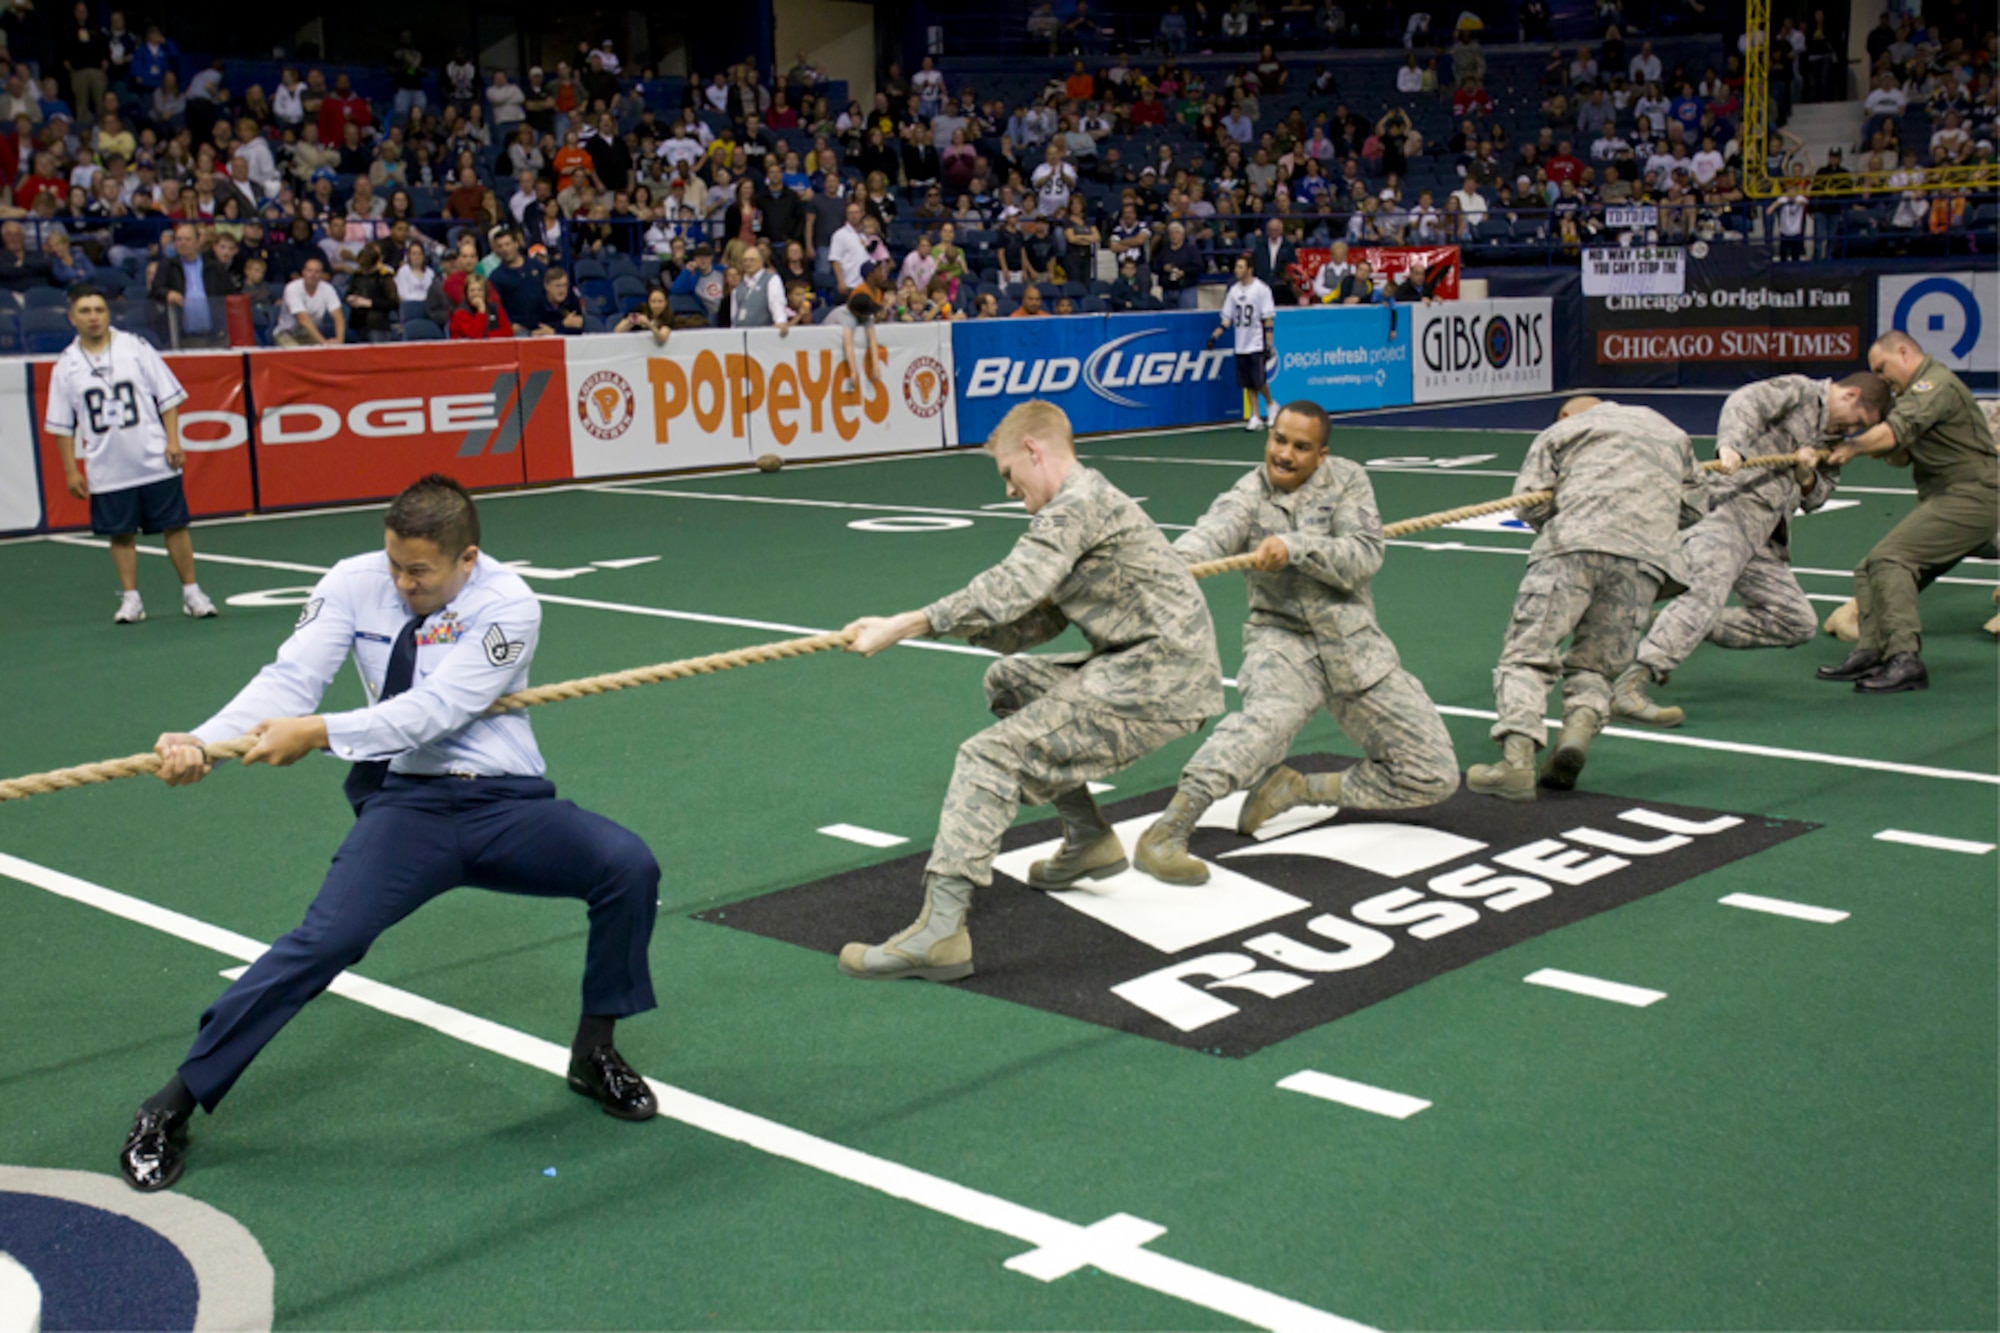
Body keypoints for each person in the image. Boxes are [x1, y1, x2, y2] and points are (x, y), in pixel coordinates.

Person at [119, 476, 661, 1192]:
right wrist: (204, 741)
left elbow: (434, 710)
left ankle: (595, 1051)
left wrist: (319, 732)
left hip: (507, 801)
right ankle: (169, 1104)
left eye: (420, 571)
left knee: (627, 866)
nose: (403, 584)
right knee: (325, 941)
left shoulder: (509, 604)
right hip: (409, 808)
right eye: (394, 565)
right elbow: (291, 680)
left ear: (466, 558)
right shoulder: (353, 582)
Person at [835, 401, 1224, 980]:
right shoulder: (1084, 503)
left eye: (1008, 475)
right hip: (1144, 664)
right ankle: (1089, 837)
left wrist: (904, 624)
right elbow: (1033, 624)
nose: (1011, 492)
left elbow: (1012, 586)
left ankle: (940, 934)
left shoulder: (1075, 505)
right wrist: (956, 626)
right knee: (1010, 681)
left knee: (988, 758)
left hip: (1160, 677)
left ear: (1034, 451)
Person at [1132, 403, 1459, 882]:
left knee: (1433, 774)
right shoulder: (1249, 492)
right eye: (1278, 440)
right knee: (1264, 726)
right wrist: (1170, 569)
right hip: (1281, 640)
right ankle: (1168, 829)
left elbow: (1364, 556)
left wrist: (1296, 547)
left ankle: (1298, 789)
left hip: (1354, 645)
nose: (1284, 454)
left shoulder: (1347, 480)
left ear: (1321, 455)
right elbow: (1210, 534)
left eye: (1300, 447)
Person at [1615, 374, 1891, 727]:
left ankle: (1679, 625)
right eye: (1859, 420)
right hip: (1728, 513)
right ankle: (1633, 681)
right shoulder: (1800, 392)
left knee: (1796, 622)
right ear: (1851, 395)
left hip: (1765, 539)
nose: (1853, 430)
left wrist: (1806, 476)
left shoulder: (1833, 440)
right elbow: (1745, 401)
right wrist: (1732, 446)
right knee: (1704, 594)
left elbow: (1819, 496)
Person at [1467, 398, 1705, 800]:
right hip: (1644, 561)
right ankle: (1575, 736)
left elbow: (1533, 502)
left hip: (1571, 549)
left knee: (1528, 654)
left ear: (1565, 414)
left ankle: (1516, 764)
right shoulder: (1671, 431)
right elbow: (1695, 508)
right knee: (1597, 664)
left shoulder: (1560, 433)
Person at [1815, 331, 2000, 693]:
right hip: (1946, 497)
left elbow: (1897, 434)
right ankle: (1872, 650)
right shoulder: (1909, 397)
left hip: (1972, 496)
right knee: (1869, 569)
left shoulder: (1934, 385)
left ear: (1903, 352)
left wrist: (1853, 447)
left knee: (1891, 560)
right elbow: (1899, 454)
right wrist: (1869, 438)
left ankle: (1905, 659)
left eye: (1882, 368)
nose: (1881, 378)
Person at [46, 284, 217, 625]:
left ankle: (192, 592)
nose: (93, 317)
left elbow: (167, 397)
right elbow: (62, 425)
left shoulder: (135, 347)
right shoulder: (65, 366)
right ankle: (131, 599)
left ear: (108, 314)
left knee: (175, 526)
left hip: (153, 458)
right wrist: (70, 470)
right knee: (120, 533)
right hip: (106, 465)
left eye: (99, 310)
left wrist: (173, 441)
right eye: (85, 311)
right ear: (72, 317)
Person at [1209, 254, 1276, 430]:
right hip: (1241, 343)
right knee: (1247, 382)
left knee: (1259, 380)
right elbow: (1227, 319)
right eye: (1236, 266)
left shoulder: (1261, 289)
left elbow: (1267, 318)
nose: (1236, 270)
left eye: (1240, 267)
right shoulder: (1234, 291)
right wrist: (1215, 335)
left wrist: (1269, 343)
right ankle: (1255, 415)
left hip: (1256, 341)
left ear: (1249, 269)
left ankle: (1270, 404)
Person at [146, 221, 232, 348]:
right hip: (181, 338)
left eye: (187, 239)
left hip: (215, 337)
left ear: (198, 242)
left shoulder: (214, 266)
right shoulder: (168, 266)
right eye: (179, 239)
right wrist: (168, 293)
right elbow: (155, 290)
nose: (182, 243)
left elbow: (230, 294)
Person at [273, 255, 346, 347]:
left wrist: (339, 342)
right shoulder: (292, 288)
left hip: (310, 335)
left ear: (321, 274)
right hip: (286, 334)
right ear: (303, 272)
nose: (313, 275)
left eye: (317, 272)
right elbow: (303, 320)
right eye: (309, 271)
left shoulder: (328, 289)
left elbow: (338, 317)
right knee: (298, 354)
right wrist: (324, 343)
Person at [728, 243, 790, 330]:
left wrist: (780, 321)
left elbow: (776, 302)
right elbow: (734, 316)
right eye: (745, 260)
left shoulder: (771, 280)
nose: (748, 263)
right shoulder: (738, 288)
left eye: (752, 260)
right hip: (741, 335)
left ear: (761, 261)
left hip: (763, 335)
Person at [450, 271, 515, 339]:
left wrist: (486, 335)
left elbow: (508, 333)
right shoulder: (460, 313)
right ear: (466, 293)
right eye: (472, 290)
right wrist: (481, 310)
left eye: (480, 290)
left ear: (485, 292)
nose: (476, 294)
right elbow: (475, 337)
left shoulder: (495, 308)